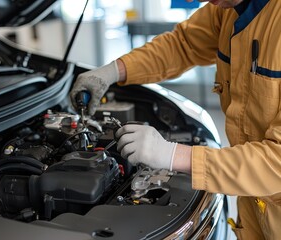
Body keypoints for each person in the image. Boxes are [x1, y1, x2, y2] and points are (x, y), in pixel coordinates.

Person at [70, 0, 281, 239]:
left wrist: (174, 155)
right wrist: (113, 71)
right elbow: (182, 45)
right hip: (255, 203)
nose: (191, 0)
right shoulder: (226, 11)